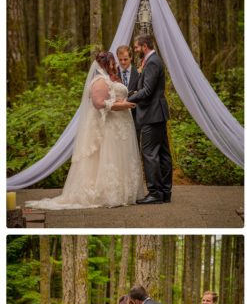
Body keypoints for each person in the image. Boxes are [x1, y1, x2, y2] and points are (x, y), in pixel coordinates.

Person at [25, 51, 143, 210]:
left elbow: (112, 96)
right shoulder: (99, 80)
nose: (115, 64)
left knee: (121, 157)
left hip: (121, 126)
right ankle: (109, 194)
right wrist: (123, 105)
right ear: (106, 63)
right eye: (112, 62)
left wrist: (126, 99)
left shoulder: (109, 79)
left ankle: (126, 192)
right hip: (111, 126)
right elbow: (99, 103)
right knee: (110, 158)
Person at [130, 35, 172, 204]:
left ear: (145, 46)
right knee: (162, 153)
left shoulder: (153, 62)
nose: (135, 50)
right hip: (157, 114)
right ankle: (164, 192)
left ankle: (155, 193)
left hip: (152, 115)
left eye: (137, 47)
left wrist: (128, 99)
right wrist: (134, 93)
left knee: (149, 153)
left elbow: (147, 91)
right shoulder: (152, 60)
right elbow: (147, 89)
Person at [116, 44, 141, 145]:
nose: (122, 62)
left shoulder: (139, 73)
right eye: (120, 59)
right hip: (118, 117)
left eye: (125, 59)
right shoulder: (113, 73)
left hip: (135, 116)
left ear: (131, 57)